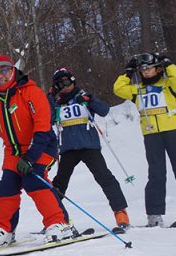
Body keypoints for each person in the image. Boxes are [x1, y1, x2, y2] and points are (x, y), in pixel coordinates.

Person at [0, 55, 73, 247]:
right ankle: (5, 230)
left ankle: (59, 223)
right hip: (13, 152)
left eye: (4, 70)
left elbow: (43, 129)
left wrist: (30, 158)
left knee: (33, 180)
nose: (0, 76)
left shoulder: (32, 93)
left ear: (13, 70)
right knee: (6, 186)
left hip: (42, 145)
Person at [114, 53, 176, 227]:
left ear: (157, 68)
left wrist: (168, 63)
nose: (146, 72)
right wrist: (127, 72)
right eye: (142, 69)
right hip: (151, 134)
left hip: (172, 131)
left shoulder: (168, 84)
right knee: (156, 174)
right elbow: (118, 89)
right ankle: (154, 215)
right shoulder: (137, 89)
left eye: (149, 68)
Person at [48, 67, 130, 229]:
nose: (64, 87)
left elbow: (104, 110)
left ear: (72, 81)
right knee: (59, 184)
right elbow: (48, 120)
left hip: (89, 146)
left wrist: (90, 99)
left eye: (65, 82)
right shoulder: (57, 104)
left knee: (104, 177)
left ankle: (120, 213)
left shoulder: (83, 97)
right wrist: (50, 99)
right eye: (59, 85)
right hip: (68, 149)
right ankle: (55, 218)